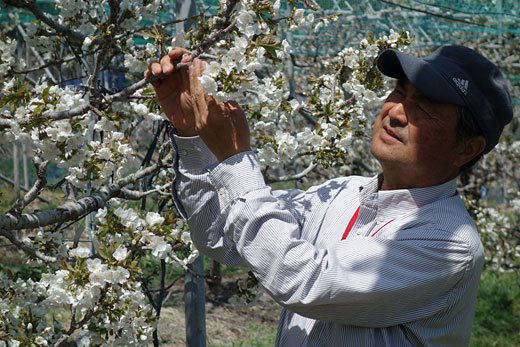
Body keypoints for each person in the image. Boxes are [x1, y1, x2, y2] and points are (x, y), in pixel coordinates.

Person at [145, 45, 513, 346]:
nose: (397, 112)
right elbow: (219, 236)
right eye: (399, 92)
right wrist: (191, 134)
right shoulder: (341, 193)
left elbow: (303, 281)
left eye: (426, 109)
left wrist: (236, 159)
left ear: (466, 149)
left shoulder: (449, 244)